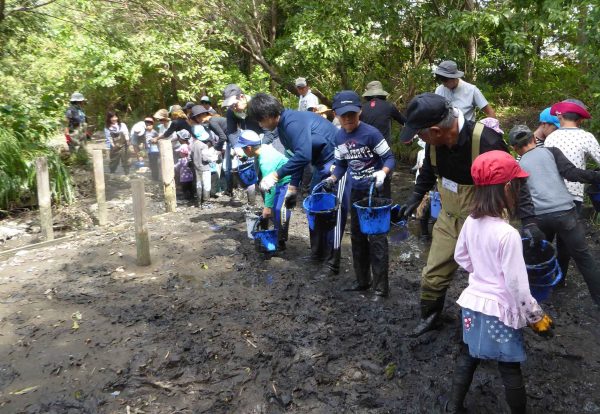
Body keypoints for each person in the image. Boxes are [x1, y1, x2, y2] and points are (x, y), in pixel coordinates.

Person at [397, 93, 542, 337]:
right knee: (433, 274)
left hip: (485, 220)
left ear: (436, 130)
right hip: (449, 217)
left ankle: (496, 325)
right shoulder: (434, 144)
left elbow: (514, 179)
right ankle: (431, 316)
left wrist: (529, 220)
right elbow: (428, 173)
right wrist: (414, 197)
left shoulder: (486, 141)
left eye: (420, 134)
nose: (418, 139)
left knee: (492, 281)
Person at [440, 150, 553, 414]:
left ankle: (453, 405)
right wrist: (535, 316)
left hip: (472, 303)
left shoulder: (470, 221)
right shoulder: (508, 234)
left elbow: (460, 256)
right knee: (509, 365)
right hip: (499, 311)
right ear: (506, 188)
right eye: (517, 186)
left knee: (469, 355)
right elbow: (517, 286)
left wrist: (481, 272)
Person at [247, 93, 350, 278]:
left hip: (336, 164)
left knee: (332, 210)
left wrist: (276, 175)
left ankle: (333, 262)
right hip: (320, 164)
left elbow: (303, 156)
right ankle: (318, 254)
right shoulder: (282, 128)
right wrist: (293, 187)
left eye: (260, 121)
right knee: (314, 208)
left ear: (269, 115)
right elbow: (296, 157)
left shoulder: (292, 123)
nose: (260, 125)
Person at [510, 124, 600, 306]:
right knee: (584, 257)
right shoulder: (551, 152)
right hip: (566, 213)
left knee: (532, 256)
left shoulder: (517, 166)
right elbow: (572, 173)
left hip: (538, 218)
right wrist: (595, 176)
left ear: (515, 148)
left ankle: (532, 299)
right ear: (534, 139)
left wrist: (528, 223)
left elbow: (521, 198)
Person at [322, 91, 395, 297]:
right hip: (357, 191)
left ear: (360, 111)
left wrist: (383, 172)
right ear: (336, 114)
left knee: (377, 238)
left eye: (352, 114)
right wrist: (332, 179)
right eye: (343, 115)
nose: (348, 119)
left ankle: (381, 289)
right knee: (357, 236)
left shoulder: (371, 133)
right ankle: (362, 280)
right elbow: (341, 165)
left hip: (377, 190)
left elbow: (389, 157)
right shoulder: (339, 137)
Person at [544, 99, 600, 282]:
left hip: (550, 195)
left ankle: (543, 279)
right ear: (580, 119)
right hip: (573, 197)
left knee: (545, 241)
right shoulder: (586, 137)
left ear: (561, 116)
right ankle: (560, 279)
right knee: (566, 242)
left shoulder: (552, 137)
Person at [236, 130, 292, 250]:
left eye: (243, 149)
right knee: (273, 210)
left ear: (249, 147)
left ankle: (280, 242)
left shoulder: (266, 162)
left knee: (279, 210)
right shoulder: (262, 147)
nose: (242, 151)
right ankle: (275, 234)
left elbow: (269, 188)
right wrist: (245, 156)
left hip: (286, 181)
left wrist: (267, 207)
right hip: (276, 181)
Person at [359, 80, 405, 198]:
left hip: (365, 150)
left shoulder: (361, 108)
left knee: (367, 179)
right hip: (384, 150)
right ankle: (384, 207)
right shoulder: (389, 106)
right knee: (384, 180)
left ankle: (369, 204)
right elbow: (404, 121)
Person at [222, 84, 262, 204]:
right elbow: (232, 132)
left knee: (266, 174)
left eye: (234, 104)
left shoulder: (257, 105)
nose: (233, 108)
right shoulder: (231, 112)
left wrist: (262, 145)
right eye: (230, 106)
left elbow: (270, 129)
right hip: (250, 140)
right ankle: (253, 204)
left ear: (242, 97)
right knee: (251, 172)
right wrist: (237, 147)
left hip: (265, 137)